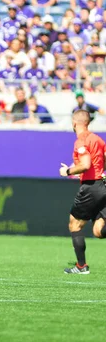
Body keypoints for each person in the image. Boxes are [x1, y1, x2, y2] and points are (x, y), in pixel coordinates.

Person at [60, 110, 106, 274]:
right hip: (103, 185)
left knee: (74, 224)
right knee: (99, 231)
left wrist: (69, 171)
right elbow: (101, 161)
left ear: (74, 123)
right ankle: (81, 266)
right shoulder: (98, 139)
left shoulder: (81, 141)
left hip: (91, 187)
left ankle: (81, 267)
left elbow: (86, 164)